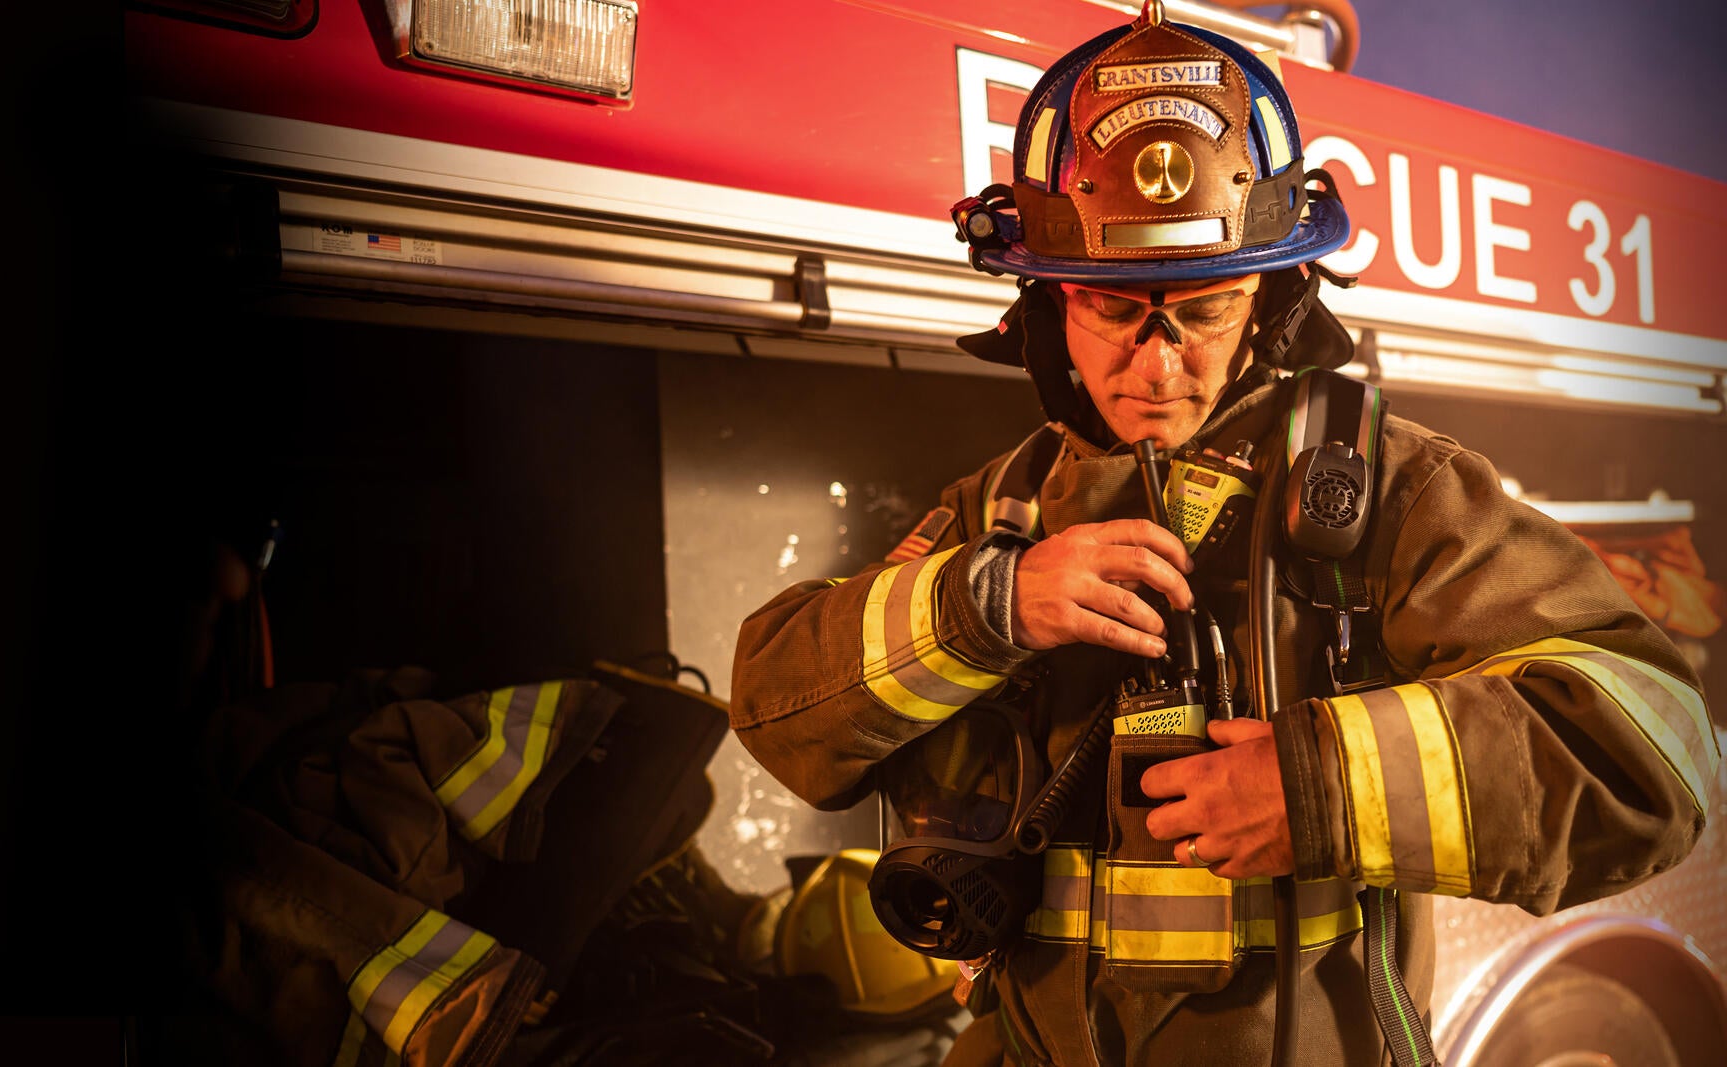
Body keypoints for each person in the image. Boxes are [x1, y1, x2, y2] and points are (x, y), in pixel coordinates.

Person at [727, 3, 1716, 1065]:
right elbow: (775, 703)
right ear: (1046, 299)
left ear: (1277, 296)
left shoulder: (1389, 491)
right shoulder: (1000, 511)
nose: (1158, 365)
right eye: (1115, 310)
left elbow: (1658, 746)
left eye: (1203, 309)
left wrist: (1329, 783)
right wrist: (988, 603)